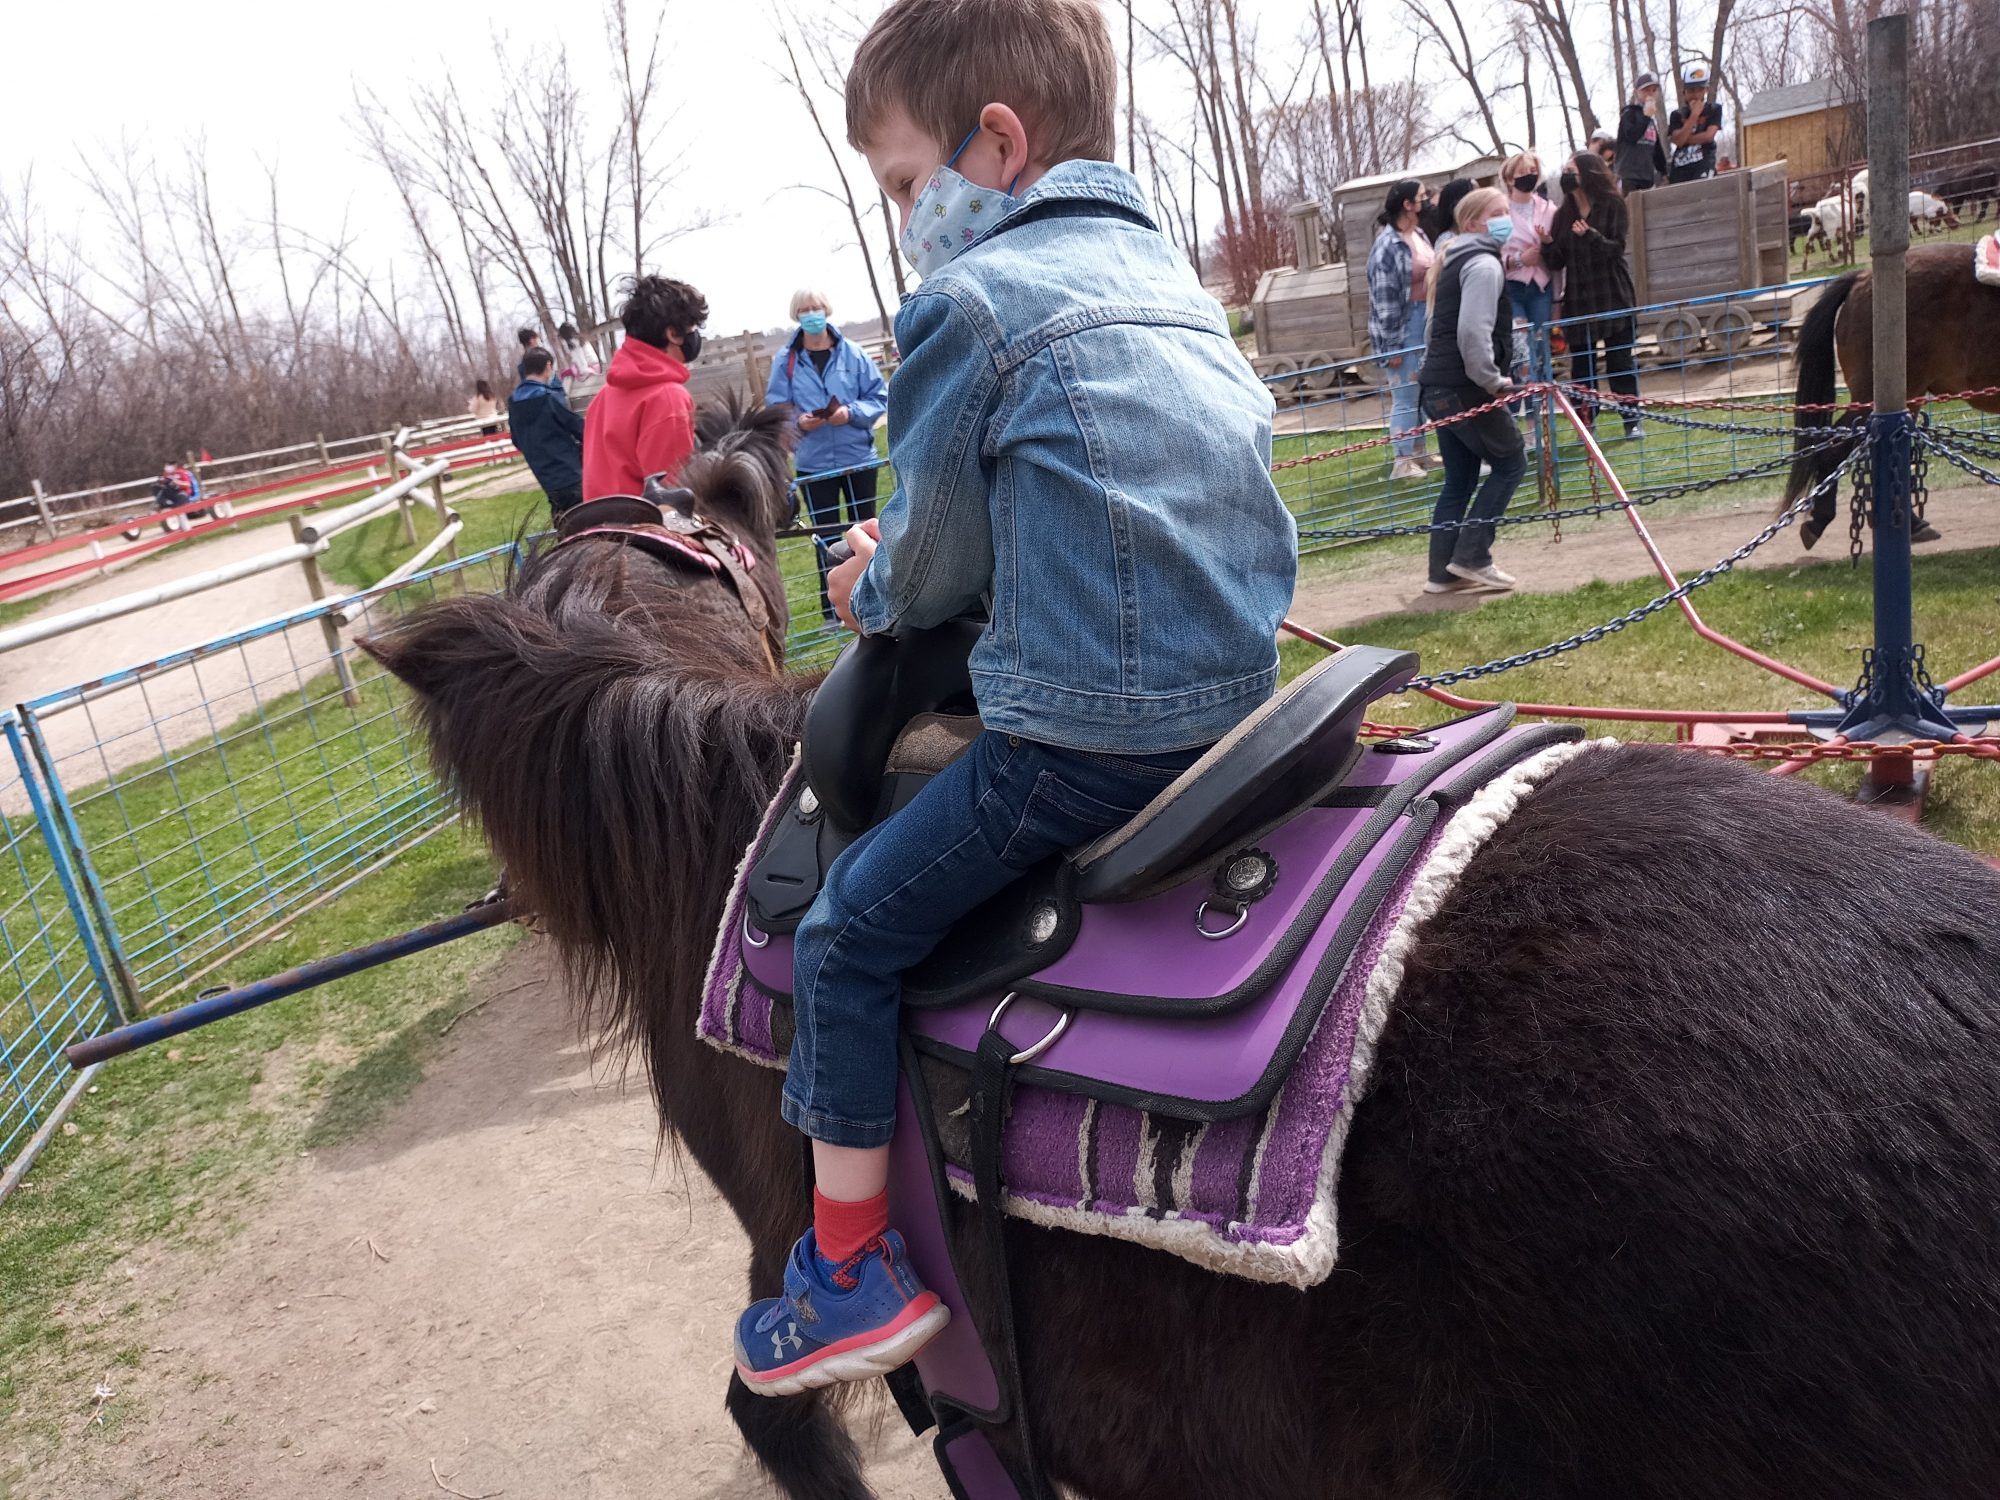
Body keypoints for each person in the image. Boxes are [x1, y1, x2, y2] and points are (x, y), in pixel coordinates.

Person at [732, 0, 1298, 1399]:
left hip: (1091, 739)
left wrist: (869, 584)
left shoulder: (967, 305)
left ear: (998, 143)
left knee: (850, 934)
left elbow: (925, 567)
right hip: (1245, 693)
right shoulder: (1173, 281)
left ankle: (848, 1271)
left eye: (907, 184)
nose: (904, 219)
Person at [1416, 188, 1527, 596]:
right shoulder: (1482, 264)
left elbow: (1433, 330)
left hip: (1437, 385)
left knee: (1459, 480)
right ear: (1473, 223)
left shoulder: (1452, 260)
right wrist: (1494, 381)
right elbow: (1471, 332)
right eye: (1498, 213)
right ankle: (1473, 556)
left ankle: (1442, 574)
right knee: (1511, 462)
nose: (1507, 219)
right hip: (1466, 386)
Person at [765, 290, 890, 621]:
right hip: (814, 463)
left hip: (858, 459)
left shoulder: (853, 354)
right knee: (825, 536)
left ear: (826, 310)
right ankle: (832, 612)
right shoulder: (785, 362)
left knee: (864, 532)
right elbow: (777, 410)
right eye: (804, 309)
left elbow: (880, 396)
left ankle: (873, 600)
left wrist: (850, 413)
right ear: (796, 315)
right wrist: (800, 423)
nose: (812, 314)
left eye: (816, 307)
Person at [1539, 151, 1645, 440]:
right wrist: (1548, 244)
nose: (1566, 174)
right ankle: (1586, 424)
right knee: (1583, 368)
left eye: (1571, 169)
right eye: (1564, 170)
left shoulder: (1612, 204)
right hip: (1579, 299)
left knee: (1619, 362)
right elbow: (1557, 261)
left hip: (1612, 294)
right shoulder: (1563, 215)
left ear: (1588, 172)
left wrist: (1590, 236)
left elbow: (1615, 249)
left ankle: (1632, 420)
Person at [581, 275, 705, 499]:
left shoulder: (602, 398)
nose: (696, 336)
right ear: (673, 334)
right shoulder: (668, 398)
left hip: (601, 527)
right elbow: (673, 494)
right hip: (644, 528)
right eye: (692, 327)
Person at [1366, 180, 1437, 481]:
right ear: (1407, 205)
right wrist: (1393, 345)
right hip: (1403, 325)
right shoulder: (1387, 245)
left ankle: (1420, 452)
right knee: (1406, 395)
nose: (1428, 201)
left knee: (1421, 393)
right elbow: (1385, 299)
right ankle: (1403, 459)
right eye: (1422, 197)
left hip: (1425, 320)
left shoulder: (1418, 234)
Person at [1498, 152, 1558, 446]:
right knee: (1520, 355)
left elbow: (1559, 252)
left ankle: (1538, 426)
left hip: (1542, 287)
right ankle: (1513, 422)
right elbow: (1491, 254)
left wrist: (1547, 246)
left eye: (1533, 170)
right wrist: (1519, 259)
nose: (1529, 176)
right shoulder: (1498, 212)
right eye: (1522, 172)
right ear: (1509, 179)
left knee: (1541, 350)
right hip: (1512, 288)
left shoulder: (1549, 208)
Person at [507, 348, 585, 516]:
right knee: (588, 520)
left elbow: (516, 440)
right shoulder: (548, 398)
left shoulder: (513, 402)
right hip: (571, 473)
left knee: (564, 521)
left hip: (545, 476)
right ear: (548, 365)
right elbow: (579, 428)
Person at [1668, 63, 1724, 184]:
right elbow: (1678, 140)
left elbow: (1709, 136)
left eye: (1700, 90)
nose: (1695, 94)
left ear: (1706, 90)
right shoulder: (1677, 115)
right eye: (1691, 90)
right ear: (1684, 92)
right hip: (1680, 167)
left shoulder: (1714, 109)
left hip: (1703, 163)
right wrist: (1693, 116)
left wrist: (1685, 138)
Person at [1615, 72, 1669, 194]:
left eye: (1654, 90)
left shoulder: (1650, 121)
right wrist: (1646, 116)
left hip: (1647, 176)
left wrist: (1664, 172)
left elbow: (1656, 149)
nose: (1650, 94)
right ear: (1637, 93)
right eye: (1646, 90)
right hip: (1628, 175)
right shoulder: (1629, 114)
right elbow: (1631, 135)